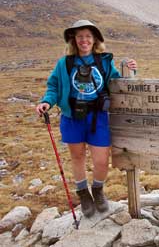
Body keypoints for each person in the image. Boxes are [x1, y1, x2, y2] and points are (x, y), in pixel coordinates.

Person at [35, 20, 137, 218]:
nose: (84, 40)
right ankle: (83, 193)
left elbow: (119, 83)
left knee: (101, 161)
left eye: (88, 36)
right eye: (80, 36)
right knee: (78, 157)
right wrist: (47, 102)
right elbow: (54, 86)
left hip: (98, 117)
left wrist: (132, 70)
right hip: (72, 116)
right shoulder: (65, 63)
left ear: (94, 40)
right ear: (74, 39)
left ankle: (97, 191)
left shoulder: (104, 61)